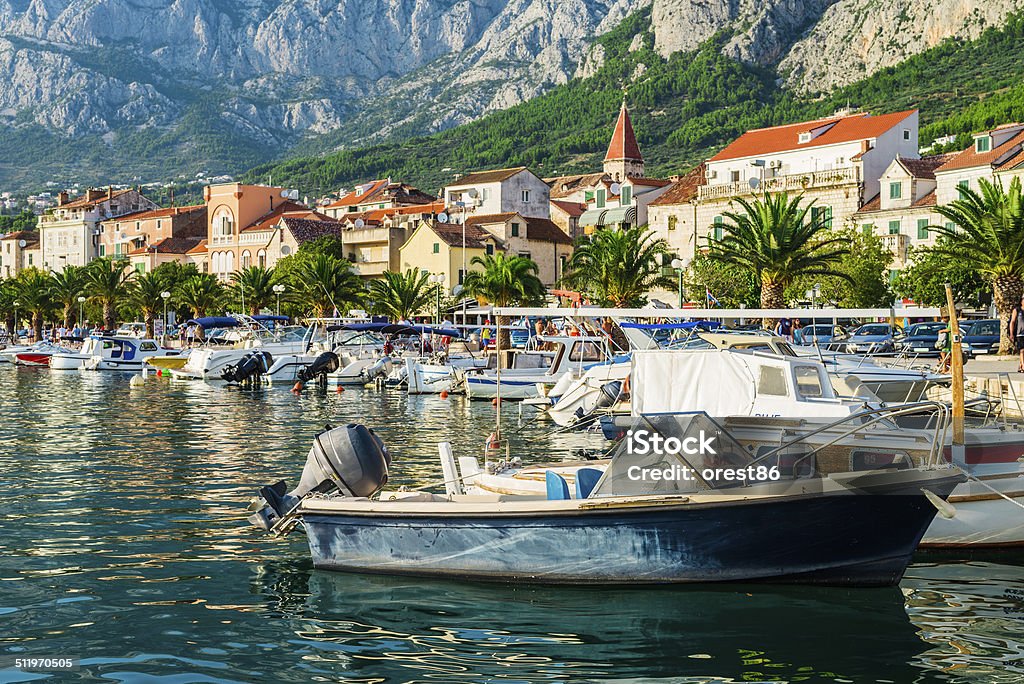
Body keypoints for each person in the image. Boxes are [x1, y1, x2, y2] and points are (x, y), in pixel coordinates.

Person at [1012, 296, 1024, 372]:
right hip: (1020, 334)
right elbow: (1012, 322)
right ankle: (1023, 366)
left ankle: (1020, 365)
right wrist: (1011, 333)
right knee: (1022, 350)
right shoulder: (1017, 310)